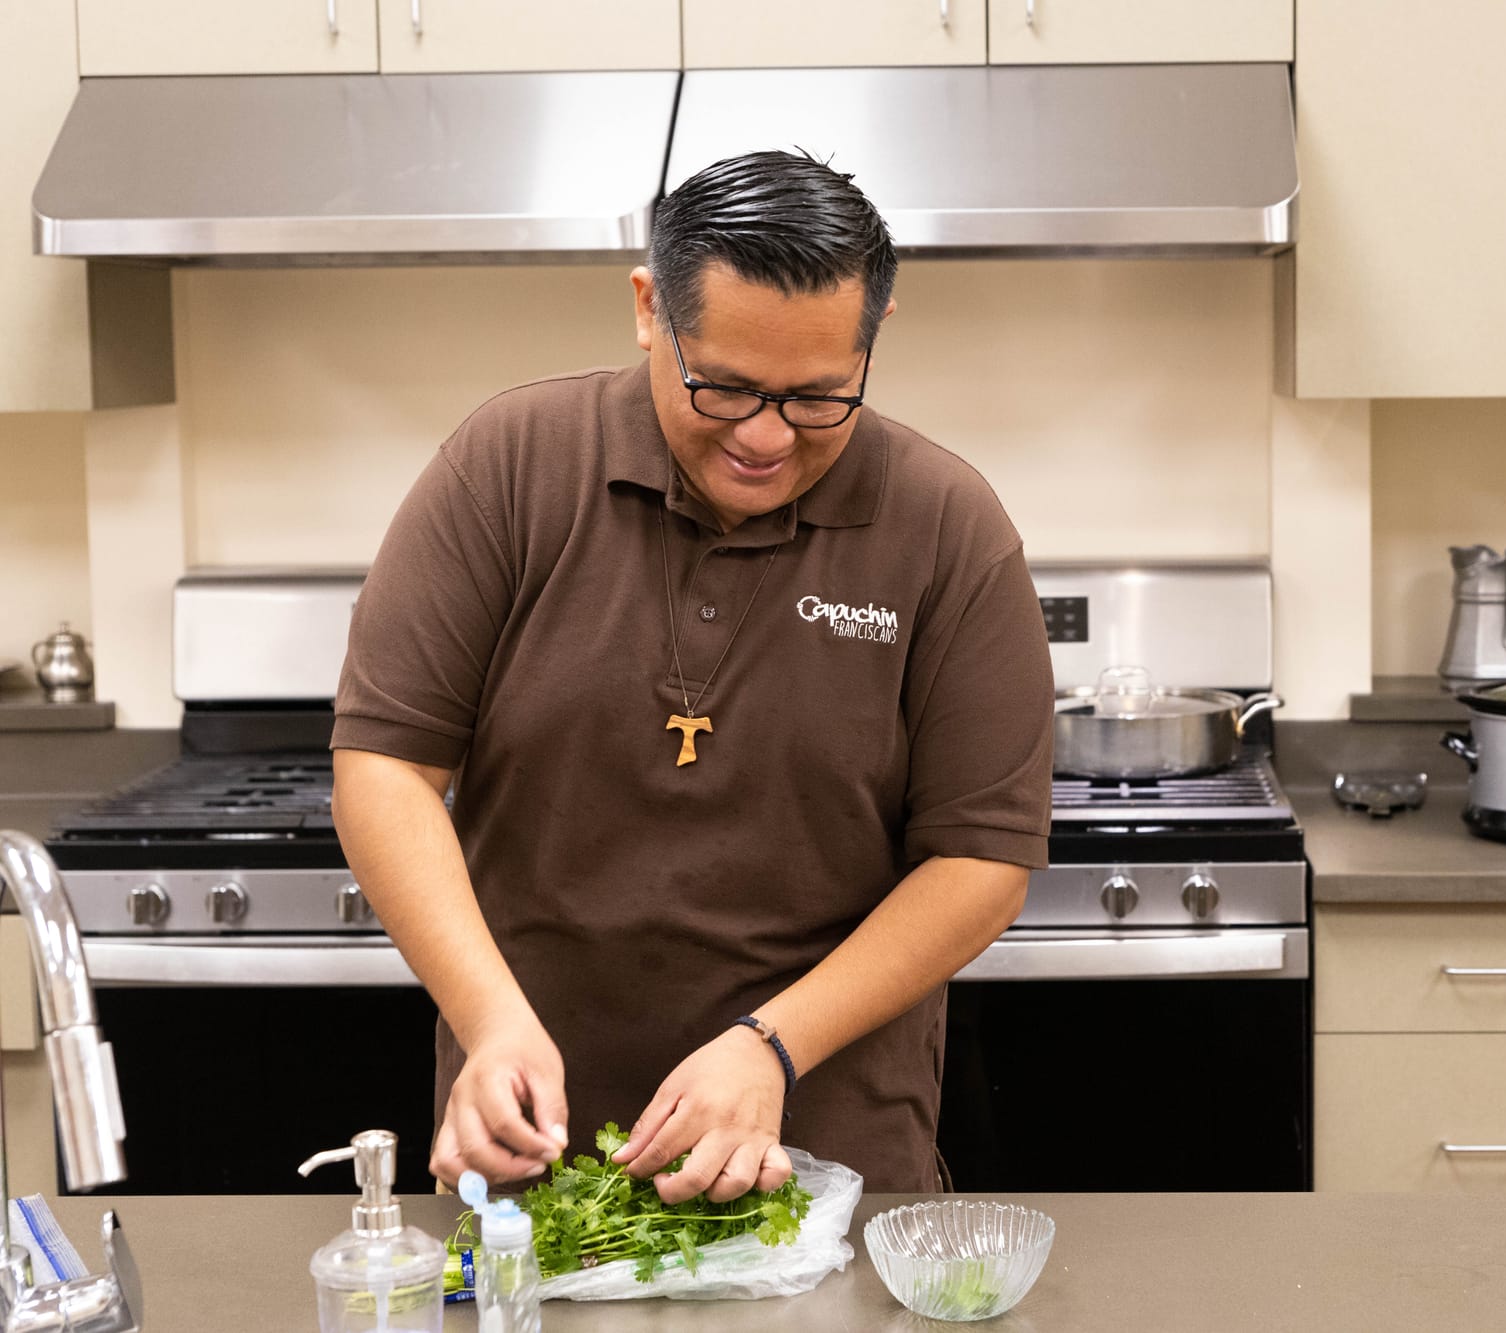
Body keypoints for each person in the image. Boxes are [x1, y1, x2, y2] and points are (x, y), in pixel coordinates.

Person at [329, 150, 1054, 1203]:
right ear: (645, 310)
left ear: (874, 335)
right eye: (723, 386)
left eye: (816, 398)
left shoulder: (946, 525)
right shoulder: (508, 467)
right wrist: (488, 1022)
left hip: (832, 1164)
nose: (764, 436)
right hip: (537, 1155)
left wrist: (768, 1047)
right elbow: (385, 766)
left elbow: (980, 861)